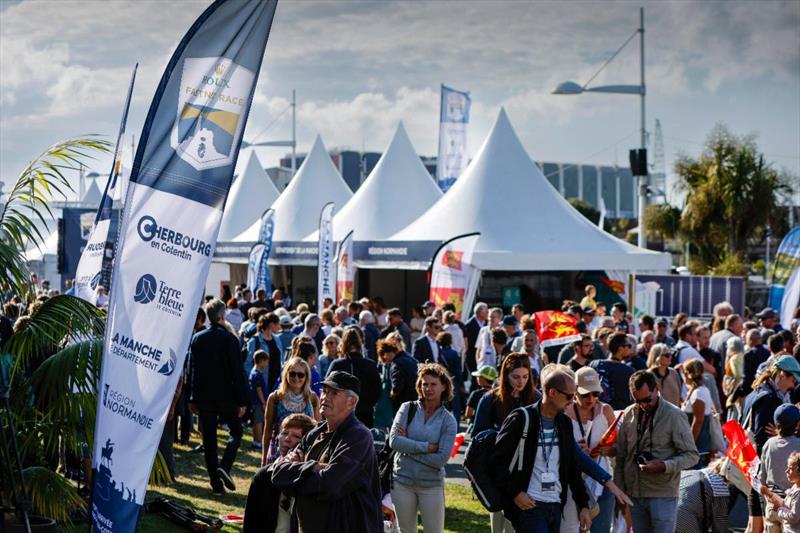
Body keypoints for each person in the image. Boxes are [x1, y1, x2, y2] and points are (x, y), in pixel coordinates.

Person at [270, 371, 383, 532]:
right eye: (324, 391)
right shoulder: (316, 431)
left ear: (352, 402)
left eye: (334, 393)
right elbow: (278, 473)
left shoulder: (358, 436)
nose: (324, 397)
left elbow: (331, 485)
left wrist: (297, 473)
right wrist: (313, 467)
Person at [489, 367, 594, 532]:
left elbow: (572, 469)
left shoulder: (564, 423)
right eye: (569, 396)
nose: (572, 401)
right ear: (552, 392)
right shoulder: (521, 419)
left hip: (555, 505)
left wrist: (583, 506)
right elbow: (496, 463)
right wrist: (515, 493)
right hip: (529, 506)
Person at [615, 370, 700, 533]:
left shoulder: (674, 415)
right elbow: (622, 455)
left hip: (662, 493)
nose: (643, 405)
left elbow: (692, 455)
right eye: (638, 400)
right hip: (635, 495)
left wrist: (664, 465)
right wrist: (619, 491)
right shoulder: (629, 414)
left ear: (657, 389)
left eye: (647, 399)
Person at [187, 298, 250, 495]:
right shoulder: (230, 339)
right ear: (222, 316)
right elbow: (237, 372)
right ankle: (225, 466)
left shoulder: (199, 338)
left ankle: (216, 483)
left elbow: (192, 371)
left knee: (210, 440)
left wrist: (192, 398)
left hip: (205, 397)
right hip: (226, 397)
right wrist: (242, 401)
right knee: (236, 432)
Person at [390, 364, 458, 533]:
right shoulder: (407, 408)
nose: (428, 388)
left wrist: (408, 447)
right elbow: (394, 442)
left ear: (443, 386)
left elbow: (441, 460)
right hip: (402, 481)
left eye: (433, 384)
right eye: (424, 384)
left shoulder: (448, 420)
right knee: (405, 530)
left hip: (431, 485)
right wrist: (427, 447)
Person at [742, 355, 800, 532]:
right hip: (771, 483)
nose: (793, 385)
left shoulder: (758, 392)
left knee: (754, 527)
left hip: (759, 475)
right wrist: (782, 437)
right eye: (793, 379)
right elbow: (761, 437)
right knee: (756, 528)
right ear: (782, 374)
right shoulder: (768, 399)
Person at [563, 367, 618, 533]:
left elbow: (616, 448)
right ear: (574, 392)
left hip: (602, 484)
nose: (591, 398)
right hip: (573, 484)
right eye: (585, 394)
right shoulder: (565, 411)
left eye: (595, 393)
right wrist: (576, 452)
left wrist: (601, 450)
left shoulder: (606, 410)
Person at [243, 413, 316, 533]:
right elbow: (251, 521)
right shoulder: (264, 476)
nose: (287, 439)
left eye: (296, 436)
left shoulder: (312, 478)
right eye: (284, 433)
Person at [261, 357, 321, 465]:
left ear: (306, 377)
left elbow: (317, 430)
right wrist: (264, 458)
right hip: (278, 452)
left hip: (301, 455)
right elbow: (268, 430)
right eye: (292, 374)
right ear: (286, 375)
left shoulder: (312, 398)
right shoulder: (275, 398)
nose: (296, 378)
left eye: (301, 375)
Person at [473, 353, 540, 436]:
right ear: (506, 376)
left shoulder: (537, 397)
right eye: (516, 377)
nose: (521, 381)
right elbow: (478, 434)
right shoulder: (490, 398)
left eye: (525, 377)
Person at [328, 327, 382, 427]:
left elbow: (327, 388)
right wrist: (368, 404)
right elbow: (378, 390)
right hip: (364, 412)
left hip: (342, 411)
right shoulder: (370, 365)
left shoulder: (337, 364)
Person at [759, 404, 800, 533]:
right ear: (797, 424)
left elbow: (762, 476)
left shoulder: (768, 444)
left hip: (772, 503)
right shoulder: (798, 445)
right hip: (792, 505)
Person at [675, 458, 731, 533]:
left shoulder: (691, 473)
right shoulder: (720, 486)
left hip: (665, 514)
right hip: (684, 521)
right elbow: (720, 524)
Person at [589, 332, 634, 411]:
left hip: (594, 412)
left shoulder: (594, 364)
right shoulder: (629, 371)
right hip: (618, 416)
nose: (631, 349)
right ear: (620, 348)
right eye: (629, 346)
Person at [682, 359, 715, 464]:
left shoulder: (698, 393)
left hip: (698, 445)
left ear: (688, 374)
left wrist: (689, 446)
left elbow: (698, 421)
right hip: (699, 443)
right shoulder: (699, 391)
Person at [761, 451, 800, 532]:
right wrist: (770, 495)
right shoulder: (795, 487)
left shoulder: (799, 494)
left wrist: (779, 509)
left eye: (790, 469)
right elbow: (787, 504)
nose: (786, 471)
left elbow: (794, 517)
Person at [377, 338, 419, 413]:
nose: (385, 361)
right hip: (416, 400)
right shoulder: (411, 358)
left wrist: (391, 395)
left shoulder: (396, 364)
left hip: (403, 404)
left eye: (384, 358)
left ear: (387, 353)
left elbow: (397, 387)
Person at [245, 313, 283, 394]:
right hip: (261, 383)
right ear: (271, 325)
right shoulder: (255, 340)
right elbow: (248, 364)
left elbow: (281, 359)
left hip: (277, 381)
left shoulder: (277, 339)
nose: (279, 326)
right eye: (277, 324)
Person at [437, 331, 465, 423]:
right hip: (453, 380)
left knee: (444, 404)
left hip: (441, 380)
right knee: (456, 406)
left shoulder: (438, 352)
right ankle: (455, 426)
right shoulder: (454, 353)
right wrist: (461, 384)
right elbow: (458, 370)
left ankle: (444, 425)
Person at [249, 350, 270, 450]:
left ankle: (255, 441)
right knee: (259, 422)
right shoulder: (257, 374)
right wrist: (263, 402)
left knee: (256, 421)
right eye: (266, 361)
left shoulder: (253, 372)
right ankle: (258, 441)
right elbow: (259, 390)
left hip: (255, 402)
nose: (267, 364)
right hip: (258, 402)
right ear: (261, 361)